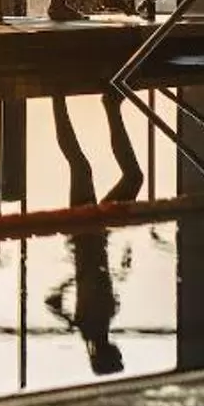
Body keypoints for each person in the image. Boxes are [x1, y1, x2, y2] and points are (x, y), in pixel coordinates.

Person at [45, 93, 144, 376]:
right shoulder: (93, 326)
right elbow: (57, 301)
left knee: (82, 167)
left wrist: (76, 276)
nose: (120, 352)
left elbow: (59, 298)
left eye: (118, 357)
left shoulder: (91, 325)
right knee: (132, 178)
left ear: (108, 354)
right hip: (95, 236)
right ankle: (110, 106)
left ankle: (59, 98)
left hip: (87, 235)